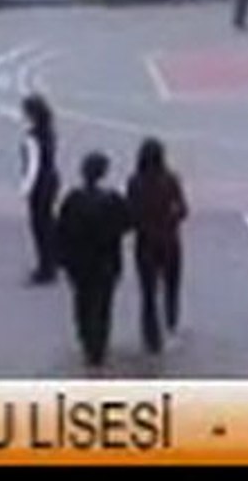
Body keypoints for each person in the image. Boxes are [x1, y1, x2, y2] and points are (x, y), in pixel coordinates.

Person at [55, 151, 133, 371]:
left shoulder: (73, 199)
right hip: (106, 261)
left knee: (82, 302)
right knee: (103, 305)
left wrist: (62, 258)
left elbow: (60, 230)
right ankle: (99, 346)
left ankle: (87, 341)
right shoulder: (113, 199)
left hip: (79, 262)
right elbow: (128, 223)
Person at [126, 138, 188, 355]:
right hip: (169, 241)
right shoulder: (170, 180)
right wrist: (171, 221)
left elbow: (130, 213)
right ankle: (171, 320)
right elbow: (183, 210)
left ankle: (151, 336)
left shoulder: (135, 181)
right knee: (172, 286)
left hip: (145, 243)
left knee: (148, 292)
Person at [19, 94, 60, 284]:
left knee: (39, 226)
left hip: (40, 184)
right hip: (51, 180)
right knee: (48, 223)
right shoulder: (49, 132)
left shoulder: (32, 137)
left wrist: (25, 188)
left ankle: (45, 268)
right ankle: (53, 261)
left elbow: (33, 166)